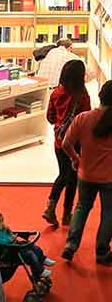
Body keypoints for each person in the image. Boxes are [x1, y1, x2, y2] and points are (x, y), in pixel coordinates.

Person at [61, 79, 112, 264]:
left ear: (100, 96)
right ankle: (102, 251)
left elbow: (66, 143)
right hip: (110, 178)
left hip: (86, 173)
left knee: (82, 207)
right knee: (109, 213)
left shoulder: (83, 118)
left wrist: (75, 158)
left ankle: (71, 245)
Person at [44, 59, 91, 227]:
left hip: (59, 141)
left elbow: (49, 118)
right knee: (72, 179)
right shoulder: (82, 95)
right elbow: (86, 119)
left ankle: (50, 207)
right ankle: (66, 214)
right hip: (76, 143)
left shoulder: (56, 93)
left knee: (63, 174)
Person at [0, 206, 54, 282]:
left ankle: (43, 259)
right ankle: (40, 271)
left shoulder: (2, 229)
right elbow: (0, 242)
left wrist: (10, 233)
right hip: (10, 252)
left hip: (15, 246)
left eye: (2, 221)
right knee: (30, 254)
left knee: (33, 247)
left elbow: (11, 236)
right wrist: (11, 239)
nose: (2, 224)